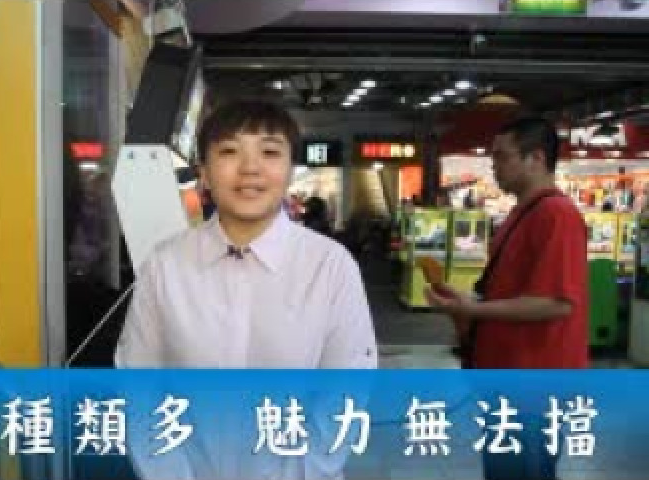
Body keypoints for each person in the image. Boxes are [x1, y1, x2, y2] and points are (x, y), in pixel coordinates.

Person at [115, 99, 377, 479]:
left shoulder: (330, 267)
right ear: (204, 173)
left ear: (290, 170)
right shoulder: (165, 266)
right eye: (229, 151)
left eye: (270, 152)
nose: (250, 168)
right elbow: (138, 387)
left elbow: (344, 396)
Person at [425, 117, 588, 480]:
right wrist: (466, 304)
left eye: (502, 156)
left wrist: (475, 309)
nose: (493, 166)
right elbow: (512, 292)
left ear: (537, 158)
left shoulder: (557, 215)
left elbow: (557, 302)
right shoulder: (522, 213)